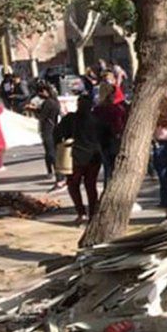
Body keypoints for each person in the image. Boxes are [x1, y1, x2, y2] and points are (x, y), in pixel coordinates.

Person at [54, 95, 107, 225]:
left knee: (73, 184)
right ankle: (93, 214)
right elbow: (106, 136)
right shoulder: (97, 120)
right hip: (94, 157)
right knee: (91, 185)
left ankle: (81, 212)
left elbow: (56, 133)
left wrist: (61, 144)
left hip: (74, 157)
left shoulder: (70, 119)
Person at [93, 82, 126, 185]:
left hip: (101, 141)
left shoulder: (96, 110)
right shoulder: (116, 109)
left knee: (107, 169)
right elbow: (118, 126)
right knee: (115, 169)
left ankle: (107, 190)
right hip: (113, 140)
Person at [36, 84, 64, 190]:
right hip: (54, 129)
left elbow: (42, 116)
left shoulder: (48, 103)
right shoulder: (55, 102)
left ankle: (60, 177)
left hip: (48, 129)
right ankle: (55, 174)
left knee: (51, 154)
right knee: (51, 153)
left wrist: (35, 110)